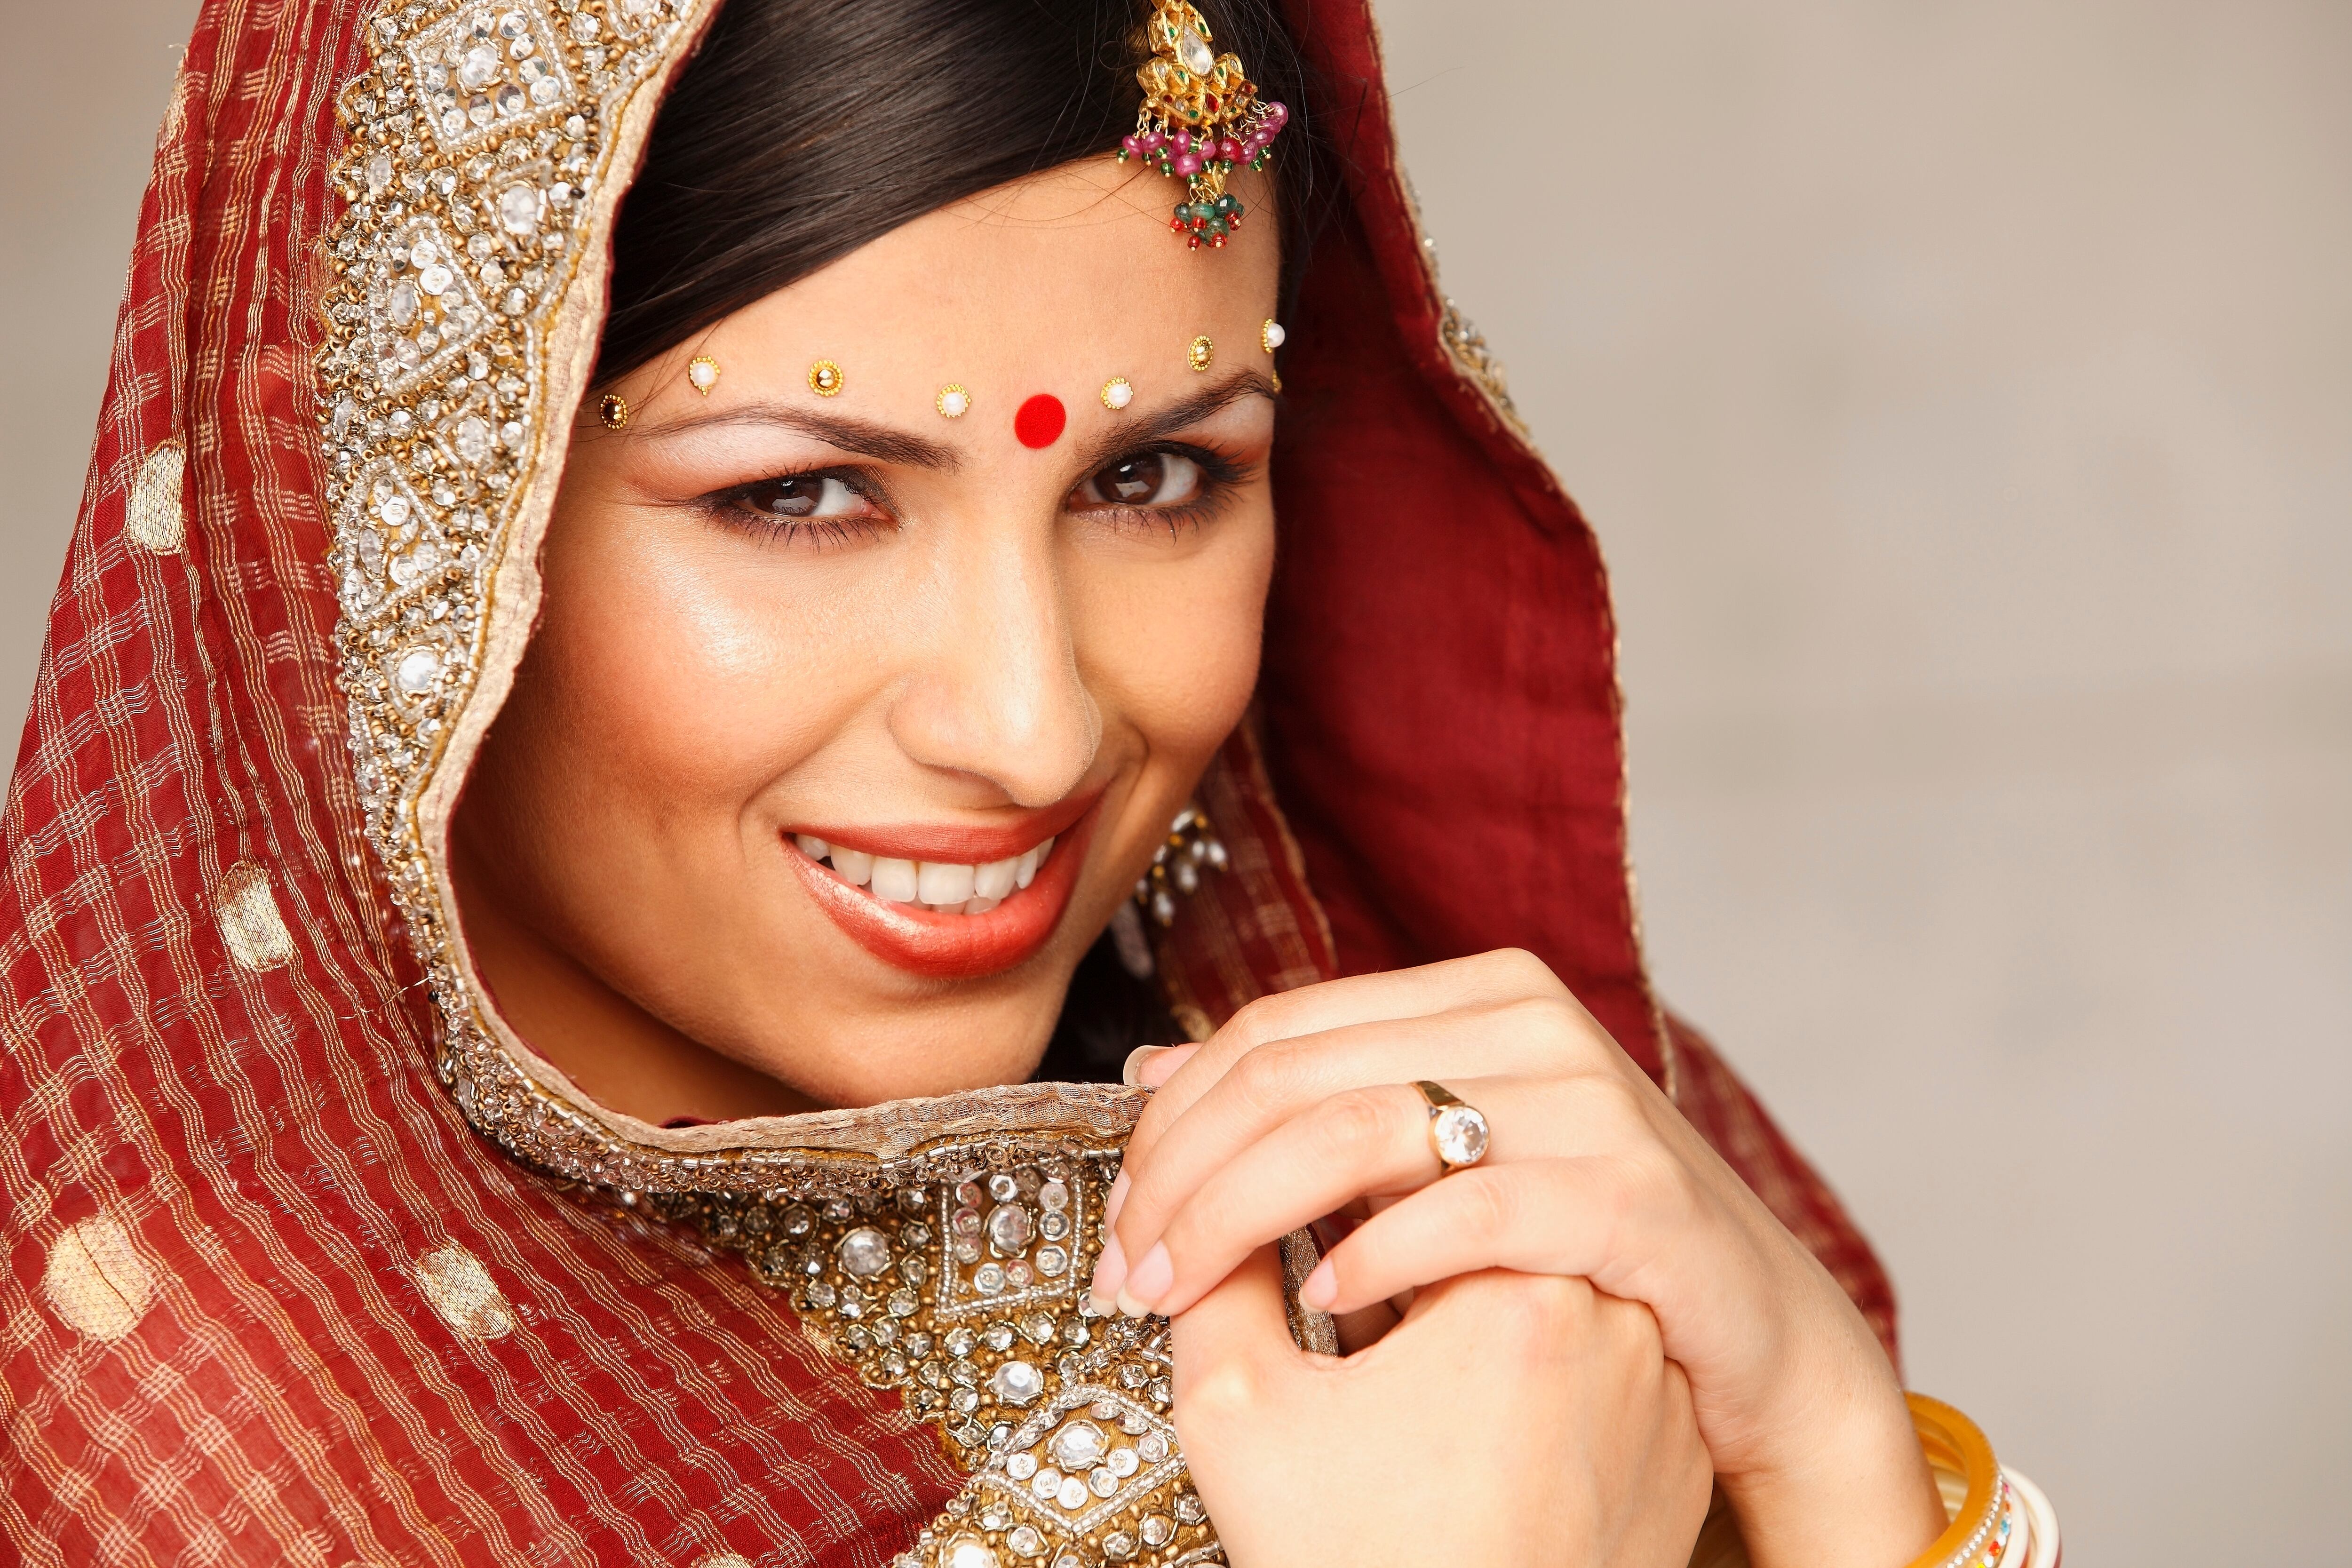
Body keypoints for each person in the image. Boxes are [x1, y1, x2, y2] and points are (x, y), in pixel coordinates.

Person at [1, 0, 2057, 1562]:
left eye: (1155, 476)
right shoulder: (191, 1429)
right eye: (802, 493)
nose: (1034, 725)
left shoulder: (1445, 1134)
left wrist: (1829, 1448)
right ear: (397, 530)